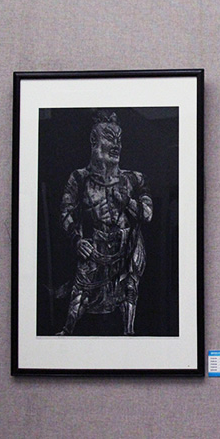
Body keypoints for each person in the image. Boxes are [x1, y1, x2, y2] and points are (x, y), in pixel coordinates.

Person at [57, 110, 153, 335]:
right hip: (95, 248)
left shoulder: (134, 179)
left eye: (119, 139)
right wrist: (77, 240)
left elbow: (148, 214)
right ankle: (66, 333)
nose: (116, 144)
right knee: (80, 292)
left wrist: (127, 201)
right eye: (110, 137)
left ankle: (129, 334)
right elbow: (66, 212)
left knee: (130, 288)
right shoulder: (79, 178)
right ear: (94, 140)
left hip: (126, 249)